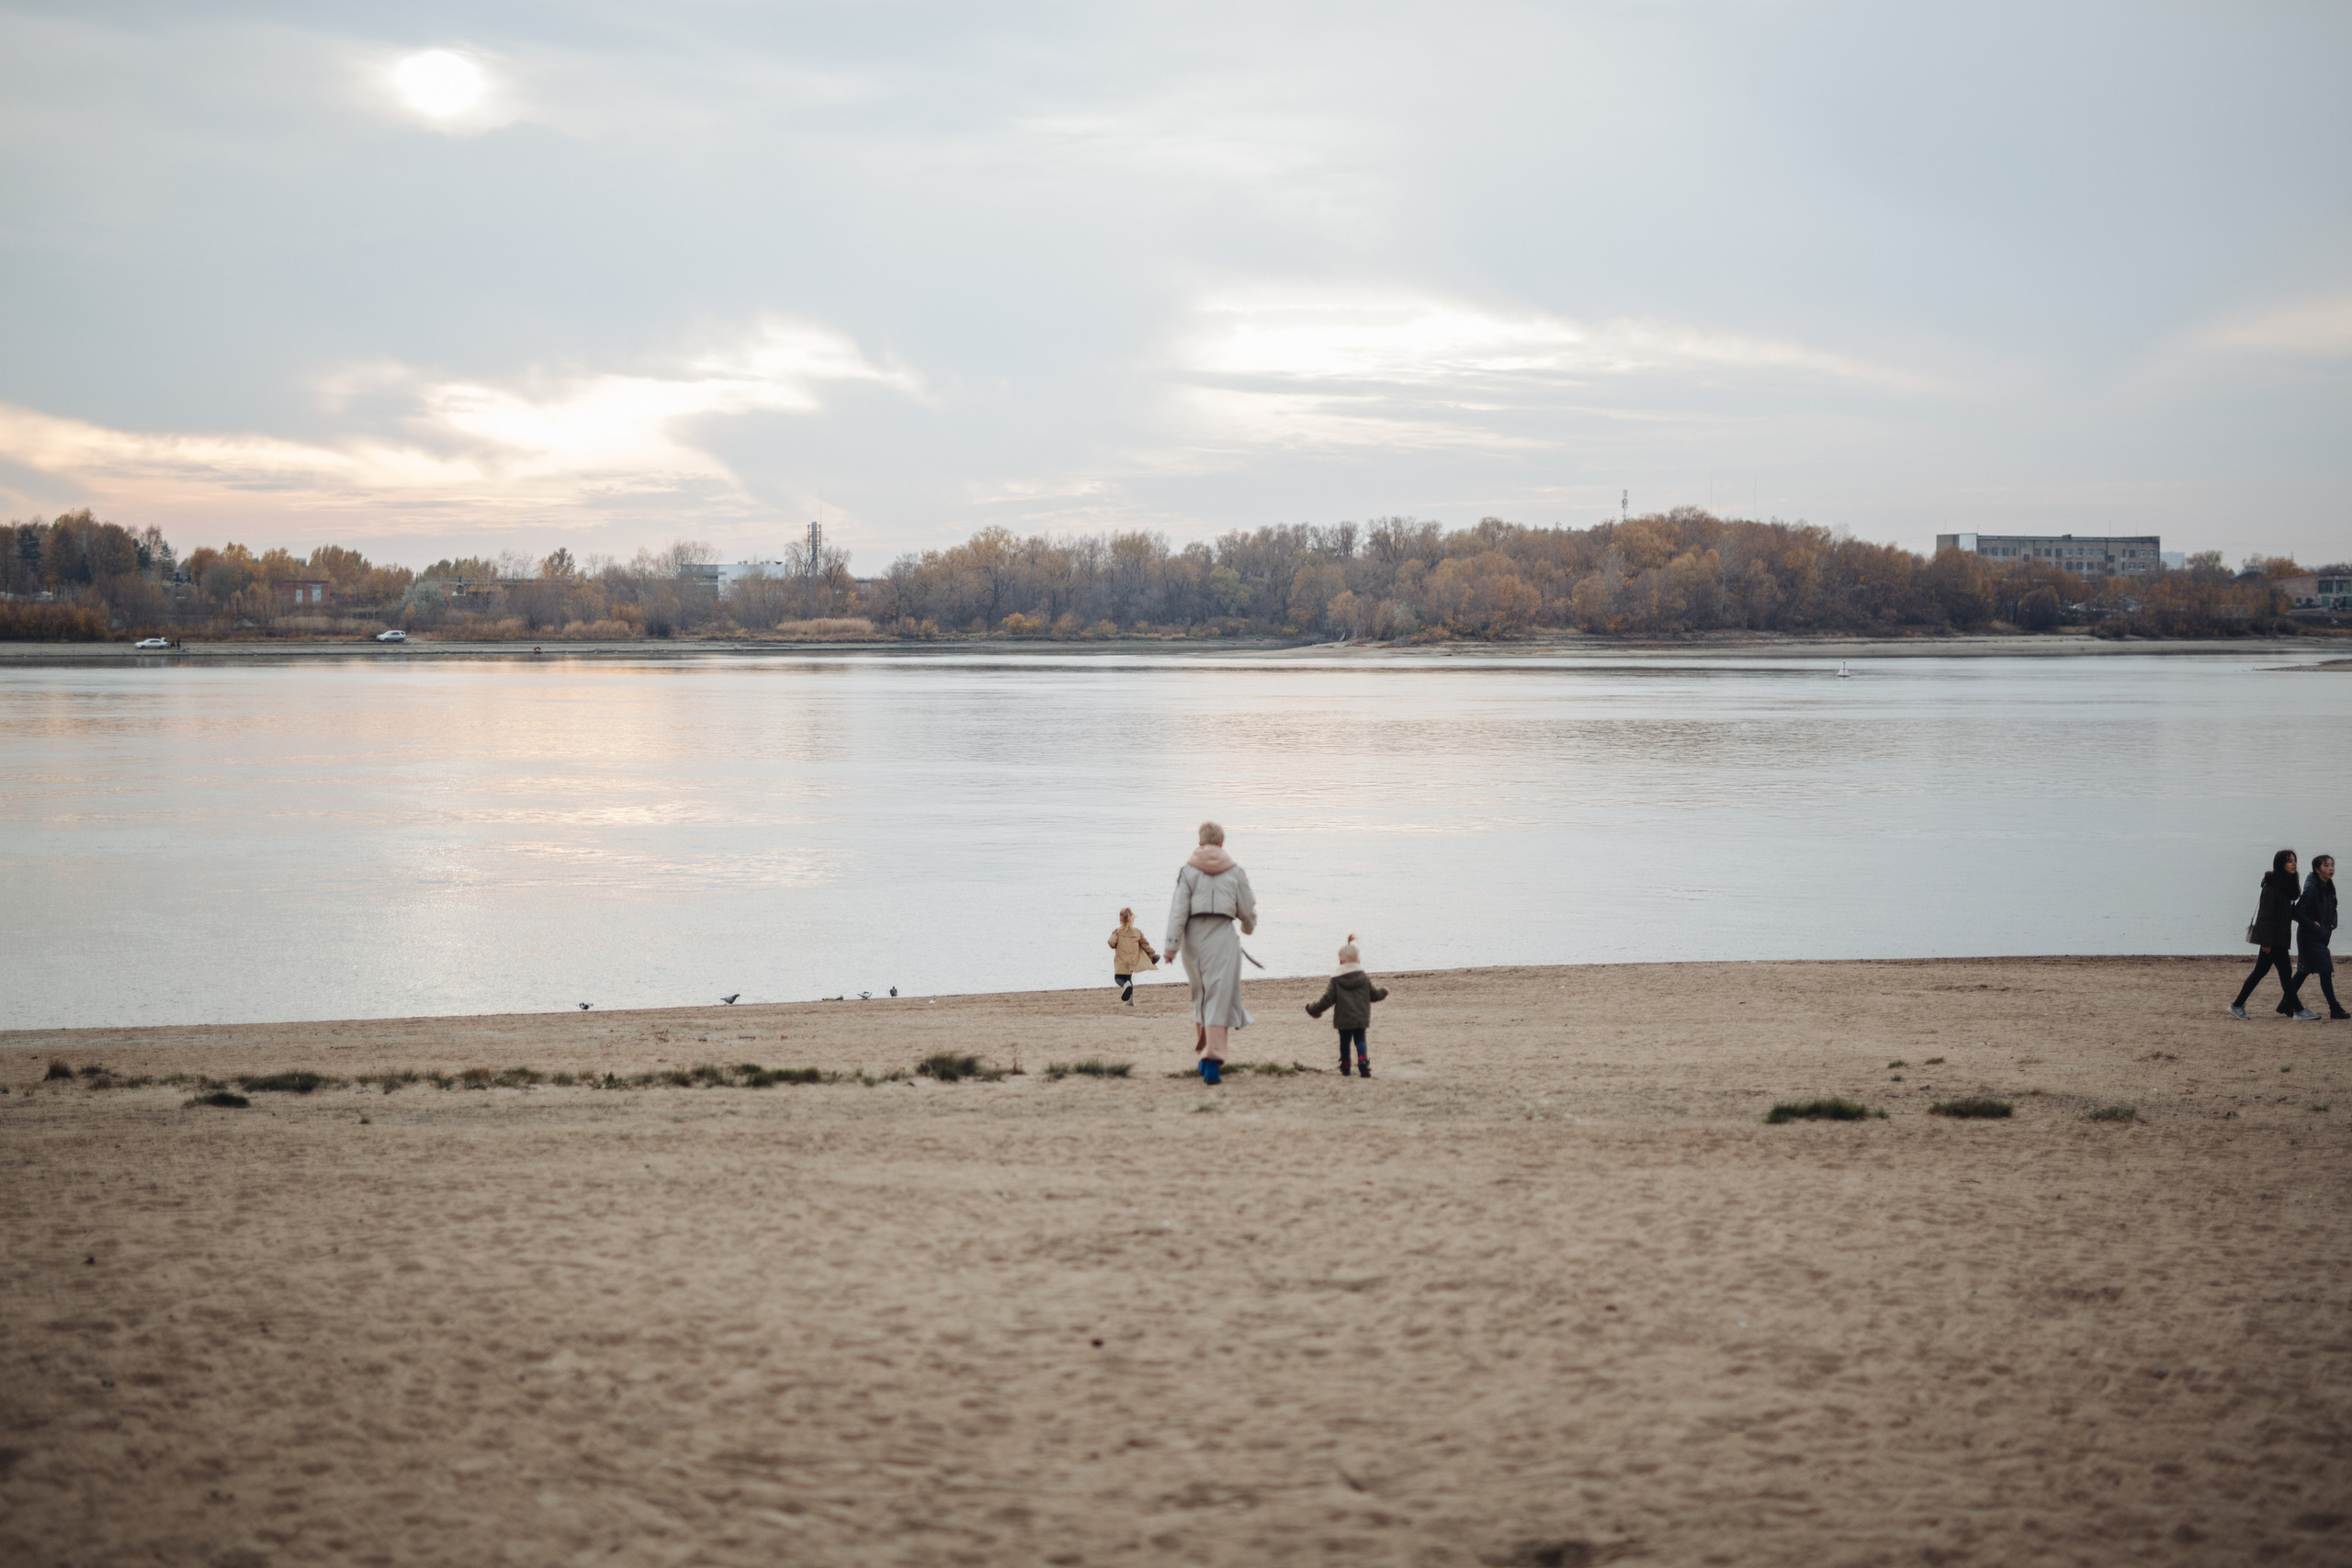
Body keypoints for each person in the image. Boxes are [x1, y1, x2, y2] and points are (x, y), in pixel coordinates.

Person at [1164, 820, 1256, 1085]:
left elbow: (1178, 911)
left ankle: (1206, 1057)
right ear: (1222, 843)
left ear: (1200, 842)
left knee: (1201, 995)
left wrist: (1171, 947)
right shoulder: (1235, 872)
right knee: (1219, 996)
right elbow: (1247, 909)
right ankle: (1211, 1060)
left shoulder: (1188, 872)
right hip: (1223, 936)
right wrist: (1248, 927)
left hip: (1193, 939)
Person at [2231, 849, 2312, 1020]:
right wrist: (2266, 941)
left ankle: (2237, 1005)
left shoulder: (2287, 884)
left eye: (2295, 860)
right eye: (2290, 861)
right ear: (2280, 864)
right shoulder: (2272, 885)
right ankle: (2298, 1010)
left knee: (2260, 971)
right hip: (2273, 939)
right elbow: (2265, 915)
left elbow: (2286, 912)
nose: (2294, 863)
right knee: (2285, 971)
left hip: (2279, 936)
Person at [1305, 935, 1388, 1077]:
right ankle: (1362, 1060)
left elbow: (1328, 999)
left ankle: (1346, 1065)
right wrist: (1384, 991)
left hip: (1343, 1018)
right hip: (1361, 1017)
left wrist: (1314, 1009)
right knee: (1360, 1040)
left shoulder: (1336, 979)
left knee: (1345, 1042)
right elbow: (1374, 995)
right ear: (1358, 960)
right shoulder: (1363, 978)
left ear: (1340, 961)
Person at [2292, 855, 2346, 1021]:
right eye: (2326, 865)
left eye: (2332, 865)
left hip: (2321, 935)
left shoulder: (2328, 885)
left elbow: (2334, 907)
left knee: (2303, 971)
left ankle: (2285, 1003)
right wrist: (2315, 926)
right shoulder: (2311, 887)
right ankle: (2334, 1008)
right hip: (2309, 937)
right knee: (2325, 969)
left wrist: (2332, 924)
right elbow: (2297, 912)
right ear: (2317, 869)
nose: (2331, 868)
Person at [1106, 907, 1159, 1006]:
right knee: (1129, 978)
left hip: (1121, 961)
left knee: (1118, 978)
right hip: (1132, 961)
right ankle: (1129, 1001)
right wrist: (1153, 955)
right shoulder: (1137, 932)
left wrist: (1113, 934)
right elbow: (1145, 945)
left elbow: (1111, 943)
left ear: (1120, 919)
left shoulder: (1118, 932)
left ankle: (1125, 986)